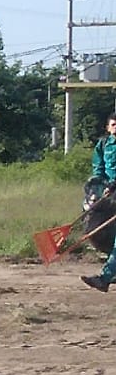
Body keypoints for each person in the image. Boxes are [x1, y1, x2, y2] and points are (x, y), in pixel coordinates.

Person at [81, 114, 116, 292]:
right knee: (99, 232)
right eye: (114, 125)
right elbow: (99, 169)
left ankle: (105, 277)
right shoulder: (103, 145)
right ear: (108, 127)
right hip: (108, 196)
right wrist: (98, 185)